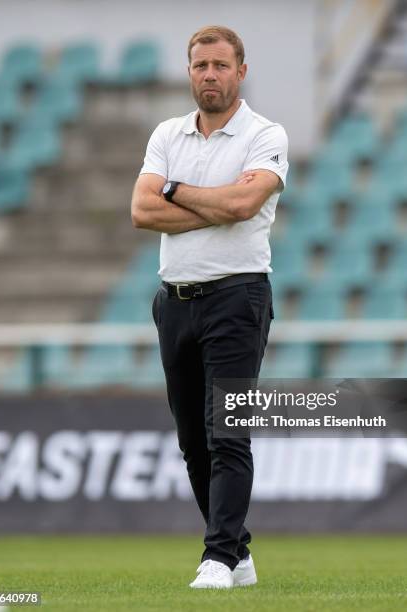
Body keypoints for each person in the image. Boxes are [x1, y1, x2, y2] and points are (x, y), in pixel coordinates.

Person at [131, 25, 288, 589]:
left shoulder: (264, 133)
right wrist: (215, 206)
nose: (210, 75)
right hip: (174, 300)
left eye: (221, 66)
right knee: (192, 442)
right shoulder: (167, 134)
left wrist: (174, 190)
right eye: (201, 66)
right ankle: (238, 553)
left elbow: (246, 202)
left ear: (240, 71)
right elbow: (140, 212)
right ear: (189, 71)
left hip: (236, 297)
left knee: (228, 433)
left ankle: (218, 557)